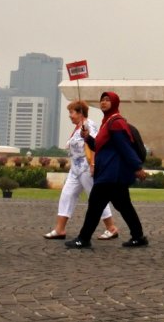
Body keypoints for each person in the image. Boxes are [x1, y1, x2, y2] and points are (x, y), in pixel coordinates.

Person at [65, 91, 149, 249]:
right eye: (102, 100)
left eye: (107, 100)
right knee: (124, 205)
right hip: (111, 174)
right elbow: (98, 146)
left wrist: (137, 167)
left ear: (115, 103)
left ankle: (83, 238)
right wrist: (87, 138)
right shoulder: (107, 122)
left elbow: (124, 147)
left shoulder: (115, 122)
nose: (103, 102)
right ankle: (138, 236)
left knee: (95, 204)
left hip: (112, 173)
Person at [44, 100, 119, 240]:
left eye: (71, 112)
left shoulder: (89, 126)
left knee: (96, 198)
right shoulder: (77, 128)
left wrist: (94, 165)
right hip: (75, 170)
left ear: (80, 113)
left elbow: (96, 145)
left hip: (87, 168)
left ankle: (111, 228)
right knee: (67, 195)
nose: (70, 116)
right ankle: (59, 230)